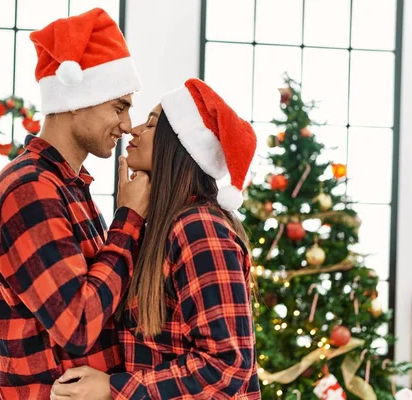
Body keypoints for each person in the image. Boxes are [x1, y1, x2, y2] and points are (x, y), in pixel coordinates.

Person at [51, 78, 261, 399]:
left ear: (177, 145)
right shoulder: (162, 228)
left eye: (151, 124)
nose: (133, 130)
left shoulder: (200, 228)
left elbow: (227, 366)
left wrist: (113, 388)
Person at [0, 8, 150, 399]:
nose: (127, 126)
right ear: (76, 100)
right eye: (119, 107)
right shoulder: (30, 189)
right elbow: (78, 326)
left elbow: (106, 301)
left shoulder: (68, 186)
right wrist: (128, 219)